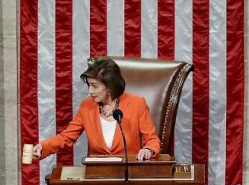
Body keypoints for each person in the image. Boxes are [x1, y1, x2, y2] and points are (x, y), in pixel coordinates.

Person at [32, 58, 160, 161]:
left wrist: (148, 150)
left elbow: (152, 139)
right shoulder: (86, 106)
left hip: (129, 173)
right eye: (89, 85)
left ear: (110, 86)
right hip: (97, 175)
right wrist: (43, 147)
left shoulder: (137, 103)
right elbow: (66, 137)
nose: (90, 91)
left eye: (94, 86)